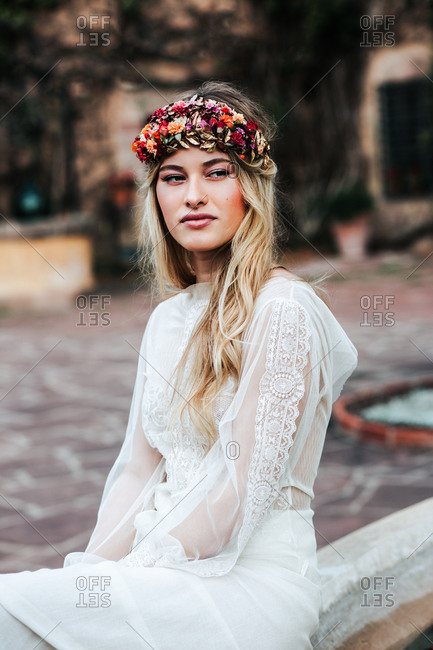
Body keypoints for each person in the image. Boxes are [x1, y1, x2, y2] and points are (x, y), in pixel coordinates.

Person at [0, 80, 358, 649]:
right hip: (163, 572)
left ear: (252, 187)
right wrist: (90, 574)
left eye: (217, 171)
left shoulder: (283, 309)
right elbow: (139, 473)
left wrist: (137, 570)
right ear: (157, 196)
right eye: (174, 176)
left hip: (249, 584)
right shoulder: (167, 320)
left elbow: (240, 492)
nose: (193, 195)